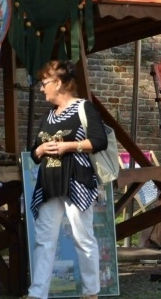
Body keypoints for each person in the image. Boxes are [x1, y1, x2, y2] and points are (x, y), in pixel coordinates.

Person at [26, 60, 108, 299]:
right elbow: (34, 151)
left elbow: (99, 141)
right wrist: (41, 151)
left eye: (44, 83)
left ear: (59, 83)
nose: (41, 88)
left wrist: (67, 146)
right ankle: (37, 293)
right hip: (49, 183)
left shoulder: (84, 108)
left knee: (83, 238)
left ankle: (90, 292)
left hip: (76, 181)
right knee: (44, 240)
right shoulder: (48, 116)